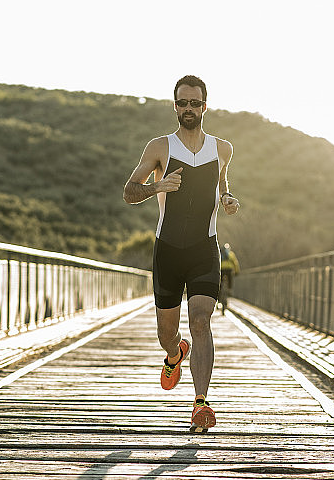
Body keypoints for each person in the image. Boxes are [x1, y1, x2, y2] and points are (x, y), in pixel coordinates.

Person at [123, 74, 240, 432]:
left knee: (201, 320)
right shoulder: (160, 147)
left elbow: (222, 184)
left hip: (205, 248)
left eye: (195, 103)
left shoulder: (223, 149)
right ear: (175, 106)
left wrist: (227, 198)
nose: (189, 108)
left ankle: (201, 404)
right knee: (166, 332)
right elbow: (129, 191)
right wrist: (158, 185)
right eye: (183, 102)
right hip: (168, 252)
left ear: (205, 106)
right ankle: (175, 353)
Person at [219, 243, 240, 313]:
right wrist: (237, 271)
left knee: (220, 283)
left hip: (221, 270)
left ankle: (219, 294)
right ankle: (229, 290)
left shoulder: (220, 254)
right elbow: (235, 263)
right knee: (230, 281)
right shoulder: (231, 254)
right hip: (229, 270)